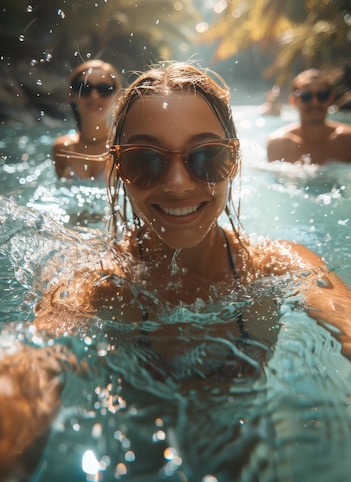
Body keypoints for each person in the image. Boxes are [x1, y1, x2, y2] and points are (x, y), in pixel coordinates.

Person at [2, 62, 351, 478]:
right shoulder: (97, 283)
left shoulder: (277, 264)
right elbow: (31, 364)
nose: (179, 183)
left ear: (234, 160)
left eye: (207, 157)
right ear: (117, 169)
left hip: (246, 454)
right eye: (144, 160)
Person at [53, 59, 121, 179]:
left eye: (103, 89)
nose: (94, 95)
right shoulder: (62, 148)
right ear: (72, 95)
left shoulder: (124, 148)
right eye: (84, 88)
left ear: (117, 97)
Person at [266, 68, 351, 164]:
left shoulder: (348, 140)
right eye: (306, 96)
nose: (315, 102)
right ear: (293, 101)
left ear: (330, 99)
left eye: (322, 95)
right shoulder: (278, 144)